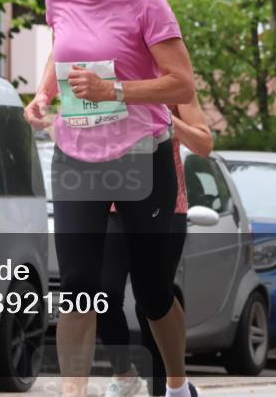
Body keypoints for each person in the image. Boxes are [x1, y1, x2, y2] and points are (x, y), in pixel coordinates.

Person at [24, 0, 198, 397]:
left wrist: (114, 90)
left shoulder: (146, 1)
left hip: (142, 154)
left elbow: (181, 84)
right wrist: (43, 94)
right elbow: (62, 49)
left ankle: (178, 385)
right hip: (77, 154)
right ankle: (74, 392)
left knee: (152, 290)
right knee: (79, 285)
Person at [98, 94, 212, 397]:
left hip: (166, 205)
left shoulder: (174, 84)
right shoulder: (108, 79)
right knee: (102, 292)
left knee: (152, 299)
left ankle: (166, 388)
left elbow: (204, 144)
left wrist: (165, 117)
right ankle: (124, 373)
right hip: (113, 204)